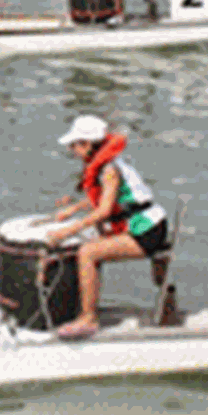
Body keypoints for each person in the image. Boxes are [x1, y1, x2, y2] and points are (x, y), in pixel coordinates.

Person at [43, 114, 170, 341]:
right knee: (91, 241)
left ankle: (88, 319)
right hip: (152, 222)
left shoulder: (109, 170)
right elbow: (106, 202)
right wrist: (73, 210)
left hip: (146, 231)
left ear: (88, 144)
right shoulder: (109, 165)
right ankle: (84, 304)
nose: (72, 149)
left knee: (87, 252)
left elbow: (103, 212)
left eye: (75, 144)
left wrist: (66, 231)